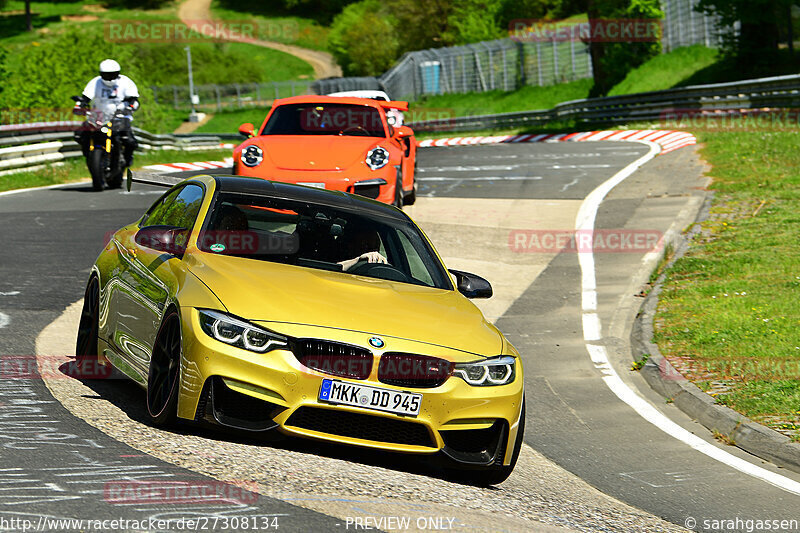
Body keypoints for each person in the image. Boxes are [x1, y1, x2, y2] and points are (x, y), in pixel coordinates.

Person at [73, 59, 140, 167]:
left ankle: (127, 159)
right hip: (98, 117)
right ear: (101, 74)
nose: (109, 79)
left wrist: (130, 107)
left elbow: (134, 99)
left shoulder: (125, 82)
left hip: (120, 117)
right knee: (79, 135)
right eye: (106, 75)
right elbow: (85, 98)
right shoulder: (95, 82)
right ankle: (89, 156)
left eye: (112, 75)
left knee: (130, 142)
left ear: (117, 74)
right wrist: (80, 105)